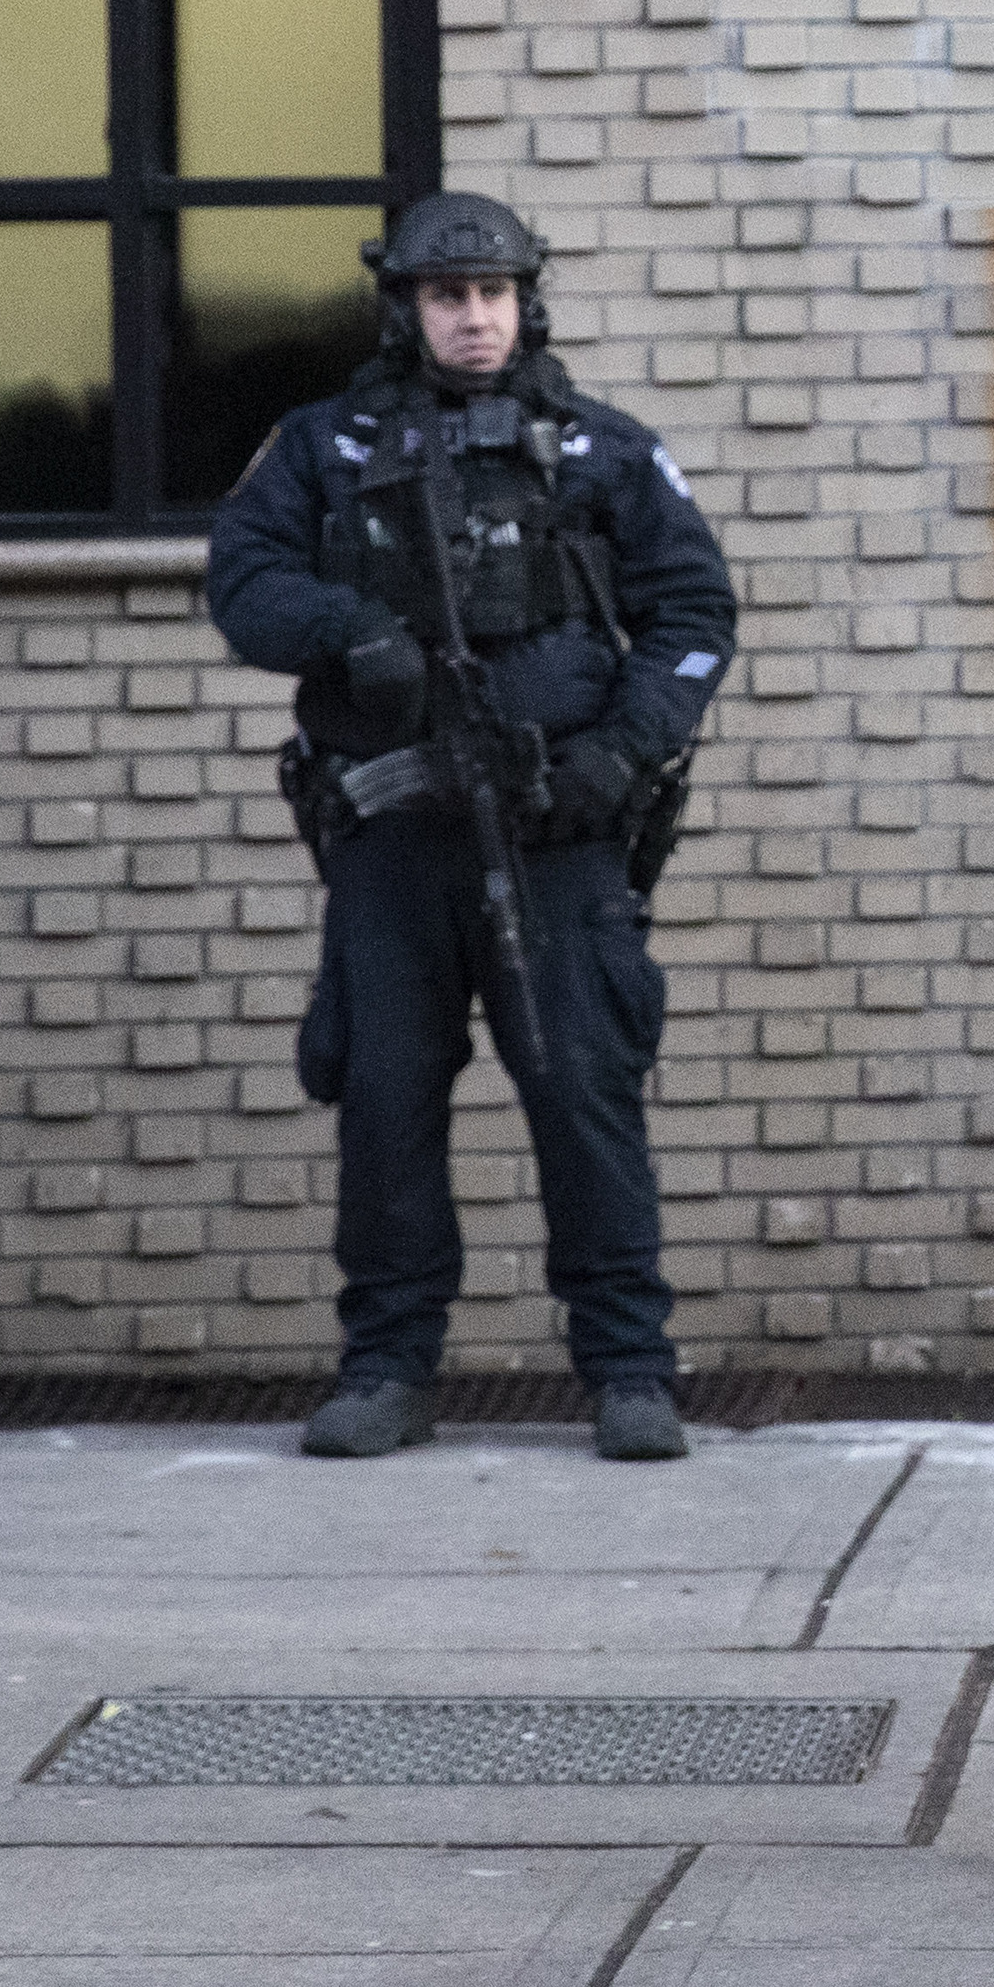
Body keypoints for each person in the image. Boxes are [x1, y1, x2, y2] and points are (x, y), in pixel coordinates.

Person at [205, 192, 737, 1463]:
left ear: (526, 298)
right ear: (407, 307)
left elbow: (696, 611)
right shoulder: (325, 448)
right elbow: (242, 582)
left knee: (585, 1100)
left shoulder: (598, 450)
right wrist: (351, 634)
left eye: (494, 293)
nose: (476, 316)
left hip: (560, 837)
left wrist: (621, 751)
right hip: (394, 845)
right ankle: (388, 1368)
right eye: (450, 296)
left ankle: (627, 1369)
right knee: (386, 1100)